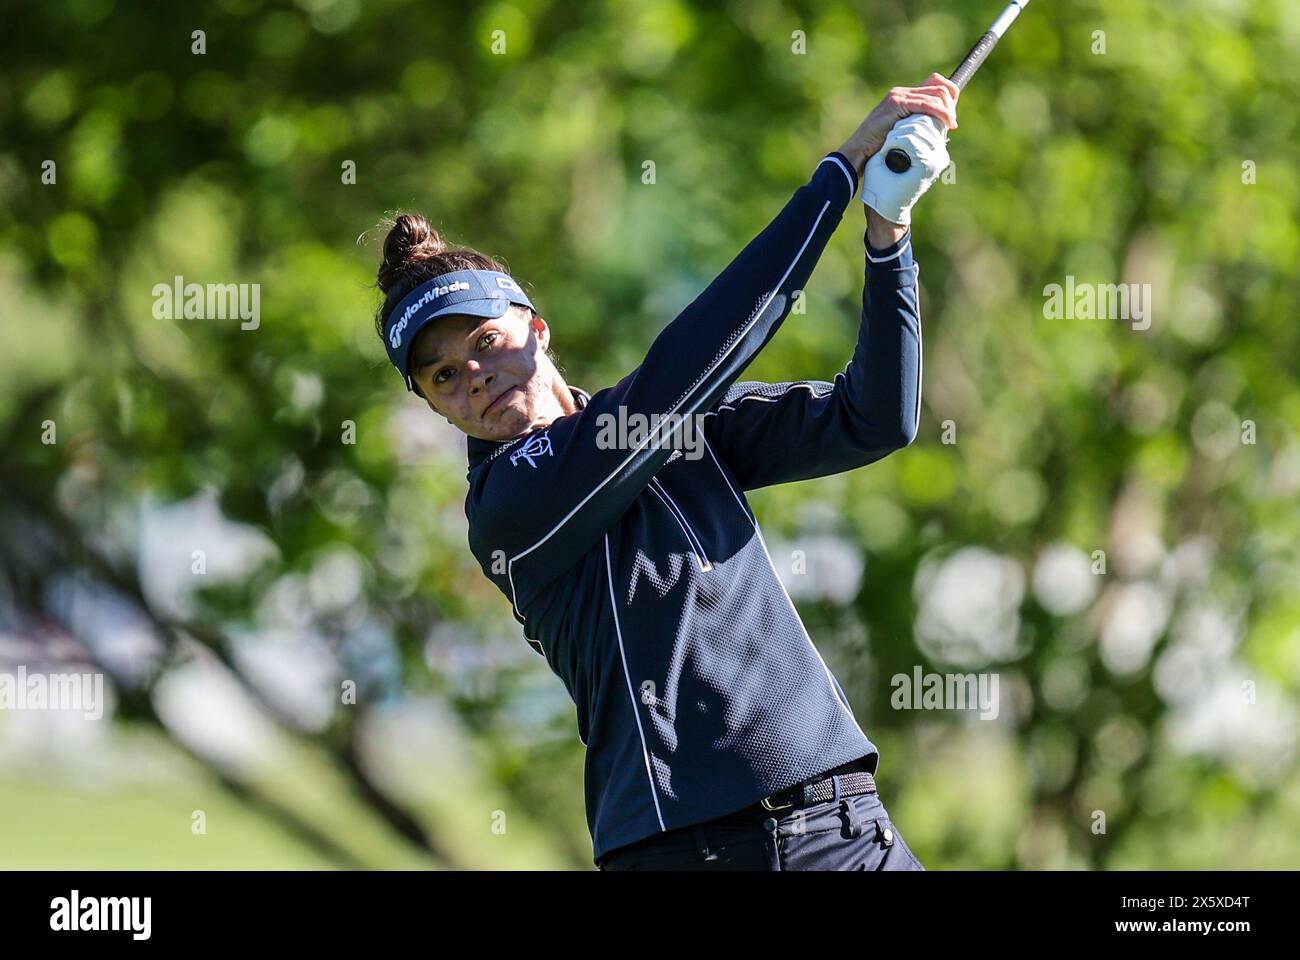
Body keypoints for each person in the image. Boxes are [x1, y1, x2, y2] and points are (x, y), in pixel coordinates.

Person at [371, 74, 959, 870]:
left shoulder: (668, 424)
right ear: (436, 408)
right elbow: (692, 360)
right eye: (441, 376)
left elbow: (874, 419)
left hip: (841, 827)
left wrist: (887, 234)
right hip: (686, 853)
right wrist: (839, 172)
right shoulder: (508, 503)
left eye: (483, 341)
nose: (471, 376)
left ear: (535, 330)